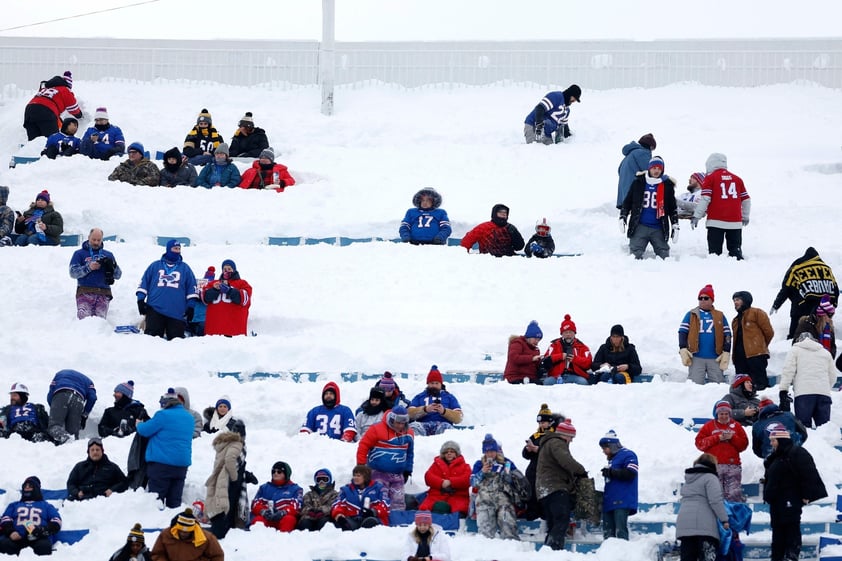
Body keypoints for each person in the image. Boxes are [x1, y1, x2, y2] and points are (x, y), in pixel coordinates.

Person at [762, 423, 827, 561]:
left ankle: (791, 556)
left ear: (781, 440)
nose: (772, 444)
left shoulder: (797, 453)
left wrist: (806, 495)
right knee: (778, 532)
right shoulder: (776, 457)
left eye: (773, 440)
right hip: (776, 502)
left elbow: (809, 474)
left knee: (791, 529)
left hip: (791, 499)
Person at [135, 387, 195, 508]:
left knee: (157, 501)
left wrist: (139, 424)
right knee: (174, 502)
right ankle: (174, 524)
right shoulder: (189, 418)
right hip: (181, 466)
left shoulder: (162, 415)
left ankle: (157, 525)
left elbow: (145, 431)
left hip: (161, 465)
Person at [535, 419, 586, 550]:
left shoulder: (548, 443)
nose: (571, 441)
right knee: (561, 521)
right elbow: (566, 461)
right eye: (571, 437)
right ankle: (554, 550)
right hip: (555, 488)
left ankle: (548, 551)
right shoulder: (557, 442)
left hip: (545, 489)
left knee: (553, 524)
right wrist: (581, 471)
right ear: (564, 435)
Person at [204, 398, 250, 539]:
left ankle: (222, 528)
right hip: (229, 479)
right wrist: (235, 477)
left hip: (221, 477)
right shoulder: (237, 443)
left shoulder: (225, 442)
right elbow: (231, 460)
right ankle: (222, 531)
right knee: (227, 504)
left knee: (221, 504)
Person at [691, 153, 751, 260]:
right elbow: (746, 199)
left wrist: (697, 215)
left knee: (715, 255)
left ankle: (715, 273)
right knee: (735, 253)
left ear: (710, 164)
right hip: (735, 223)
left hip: (715, 222)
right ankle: (739, 272)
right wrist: (745, 216)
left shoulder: (710, 179)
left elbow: (705, 199)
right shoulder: (737, 179)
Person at [136, 239, 199, 340]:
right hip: (155, 309)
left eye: (179, 249)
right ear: (168, 249)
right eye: (175, 248)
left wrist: (191, 306)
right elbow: (144, 283)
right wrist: (140, 300)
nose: (177, 251)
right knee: (151, 341)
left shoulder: (185, 268)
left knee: (176, 342)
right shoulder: (155, 266)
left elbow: (192, 288)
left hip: (177, 312)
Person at [770, 247, 838, 339]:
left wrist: (777, 304)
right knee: (821, 333)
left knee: (797, 332)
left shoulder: (797, 267)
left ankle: (792, 340)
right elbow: (835, 289)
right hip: (824, 305)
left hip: (803, 305)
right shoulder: (827, 269)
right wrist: (834, 304)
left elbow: (786, 288)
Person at [620, 155, 679, 259]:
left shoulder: (667, 186)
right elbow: (628, 201)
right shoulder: (639, 182)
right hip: (640, 226)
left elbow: (672, 207)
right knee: (634, 255)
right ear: (649, 168)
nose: (656, 171)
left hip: (658, 227)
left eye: (659, 169)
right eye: (654, 168)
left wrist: (675, 224)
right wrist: (623, 215)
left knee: (664, 256)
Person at [357, 406, 415, 511]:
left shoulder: (409, 433)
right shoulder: (376, 429)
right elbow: (363, 445)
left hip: (397, 474)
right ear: (392, 419)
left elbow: (410, 453)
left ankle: (396, 522)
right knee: (379, 499)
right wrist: (361, 465)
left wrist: (408, 470)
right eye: (398, 422)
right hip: (378, 472)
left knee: (398, 501)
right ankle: (376, 520)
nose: (401, 425)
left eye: (403, 423)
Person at [470, 433, 525, 541]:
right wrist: (482, 472)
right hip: (484, 500)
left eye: (492, 451)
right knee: (485, 533)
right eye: (487, 451)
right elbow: (472, 482)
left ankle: (512, 549)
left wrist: (509, 477)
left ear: (496, 450)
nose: (490, 454)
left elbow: (519, 481)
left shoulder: (506, 462)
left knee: (508, 526)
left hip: (503, 499)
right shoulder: (479, 464)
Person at [675, 453, 730, 561]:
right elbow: (715, 501)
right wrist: (724, 519)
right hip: (704, 527)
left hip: (684, 524)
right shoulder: (710, 477)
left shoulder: (688, 480)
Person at [779, 331, 836, 428]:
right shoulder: (825, 353)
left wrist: (783, 389)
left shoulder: (795, 350)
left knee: (803, 427)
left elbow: (788, 371)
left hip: (804, 394)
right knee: (824, 428)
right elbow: (832, 376)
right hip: (823, 395)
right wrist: (825, 388)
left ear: (799, 340)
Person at [694, 401, 748, 502]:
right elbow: (699, 444)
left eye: (726, 414)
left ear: (729, 414)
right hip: (713, 466)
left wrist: (733, 437)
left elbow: (743, 445)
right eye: (721, 414)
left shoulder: (736, 426)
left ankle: (732, 516)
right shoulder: (708, 426)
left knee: (733, 496)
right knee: (714, 496)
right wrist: (717, 438)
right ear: (717, 414)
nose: (724, 416)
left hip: (733, 466)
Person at [678, 284, 732, 384]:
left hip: (715, 357)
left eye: (706, 298)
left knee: (717, 385)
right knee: (694, 385)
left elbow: (727, 334)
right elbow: (682, 332)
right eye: (700, 298)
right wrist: (683, 348)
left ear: (712, 300)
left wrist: (726, 351)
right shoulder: (691, 314)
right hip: (696, 357)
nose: (702, 300)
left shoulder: (720, 315)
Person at [0, 476, 62, 556]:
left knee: (44, 547)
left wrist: (41, 530)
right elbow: (5, 518)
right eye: (25, 486)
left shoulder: (46, 506)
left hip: (38, 538)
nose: (27, 488)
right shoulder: (14, 505)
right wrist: (11, 532)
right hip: (16, 538)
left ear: (36, 488)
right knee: (4, 545)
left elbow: (56, 520)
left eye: (30, 486)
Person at [69, 228, 122, 319]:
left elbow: (118, 275)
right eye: (94, 239)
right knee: (84, 320)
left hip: (104, 293)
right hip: (85, 291)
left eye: (99, 240)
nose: (96, 242)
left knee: (100, 323)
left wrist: (112, 266)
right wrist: (88, 268)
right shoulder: (79, 254)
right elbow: (72, 273)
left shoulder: (108, 255)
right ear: (89, 237)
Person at [598, 430, 639, 540]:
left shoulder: (628, 454)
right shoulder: (613, 459)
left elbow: (631, 473)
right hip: (610, 501)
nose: (603, 452)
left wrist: (612, 472)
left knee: (620, 532)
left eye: (604, 448)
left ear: (611, 446)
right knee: (608, 534)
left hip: (622, 499)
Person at [731, 290, 774, 390]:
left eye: (738, 299)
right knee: (742, 388)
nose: (735, 302)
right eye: (734, 300)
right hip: (740, 359)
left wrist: (759, 346)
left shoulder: (757, 313)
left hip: (756, 356)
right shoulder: (735, 320)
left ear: (745, 300)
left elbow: (769, 332)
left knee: (760, 385)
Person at [23, 70, 82, 140]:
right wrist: (80, 115)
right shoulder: (64, 89)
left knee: (34, 143)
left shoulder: (45, 89)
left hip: (29, 110)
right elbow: (73, 108)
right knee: (53, 140)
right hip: (45, 111)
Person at [521, 404, 556, 520]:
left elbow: (554, 452)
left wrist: (538, 450)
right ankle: (532, 513)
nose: (541, 425)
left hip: (547, 470)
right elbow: (525, 455)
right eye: (540, 423)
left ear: (549, 422)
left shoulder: (555, 436)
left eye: (543, 422)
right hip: (533, 470)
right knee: (532, 493)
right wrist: (528, 450)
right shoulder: (535, 436)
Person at [419, 440, 471, 516]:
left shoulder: (465, 466)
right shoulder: (436, 464)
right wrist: (441, 482)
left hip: (458, 497)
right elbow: (428, 476)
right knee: (427, 511)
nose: (449, 453)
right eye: (446, 452)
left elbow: (467, 479)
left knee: (459, 512)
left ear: (456, 453)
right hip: (437, 496)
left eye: (452, 451)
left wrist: (451, 482)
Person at [150, 508, 224, 561]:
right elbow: (157, 554)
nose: (183, 533)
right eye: (181, 531)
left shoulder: (207, 538)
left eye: (186, 532)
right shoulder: (166, 535)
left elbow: (217, 556)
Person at [407, 366, 464, 435]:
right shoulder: (419, 397)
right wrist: (425, 409)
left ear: (441, 384)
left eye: (437, 383)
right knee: (412, 428)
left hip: (443, 425)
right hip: (422, 425)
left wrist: (444, 411)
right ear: (428, 384)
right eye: (432, 383)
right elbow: (409, 414)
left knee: (447, 429)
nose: (434, 386)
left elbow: (459, 418)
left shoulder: (449, 397)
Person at [202, 259, 252, 337]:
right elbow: (204, 298)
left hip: (234, 330)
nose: (227, 271)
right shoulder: (213, 283)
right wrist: (215, 290)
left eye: (229, 269)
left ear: (234, 270)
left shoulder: (242, 283)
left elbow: (245, 300)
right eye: (224, 269)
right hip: (213, 330)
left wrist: (230, 290)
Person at [331, 464, 390, 531]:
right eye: (354, 475)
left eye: (358, 476)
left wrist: (374, 511)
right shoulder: (346, 490)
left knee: (371, 522)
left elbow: (386, 504)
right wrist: (339, 515)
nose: (355, 478)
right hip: (353, 519)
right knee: (343, 524)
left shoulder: (378, 488)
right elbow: (337, 504)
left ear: (366, 477)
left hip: (372, 518)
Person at [46, 368, 97, 444]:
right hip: (78, 400)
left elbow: (50, 394)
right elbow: (93, 398)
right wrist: (84, 415)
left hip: (60, 395)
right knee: (73, 434)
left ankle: (66, 439)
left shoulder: (60, 374)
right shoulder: (89, 382)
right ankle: (71, 445)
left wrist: (55, 408)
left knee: (54, 426)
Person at [250, 461, 302, 532]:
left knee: (289, 519)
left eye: (279, 472)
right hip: (267, 517)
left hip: (283, 518)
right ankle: (258, 540)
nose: (275, 473)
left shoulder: (295, 489)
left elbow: (296, 506)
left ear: (286, 474)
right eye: (273, 471)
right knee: (258, 520)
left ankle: (283, 540)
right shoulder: (264, 488)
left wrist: (283, 512)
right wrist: (263, 511)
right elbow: (255, 504)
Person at [543, 315, 593, 385]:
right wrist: (560, 356)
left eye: (570, 332)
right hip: (556, 376)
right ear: (562, 334)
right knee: (547, 382)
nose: (568, 334)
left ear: (574, 333)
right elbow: (545, 362)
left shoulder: (582, 347)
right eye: (566, 332)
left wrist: (575, 359)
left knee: (583, 382)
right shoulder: (554, 345)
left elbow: (588, 364)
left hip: (576, 376)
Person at [460, 204, 524, 257]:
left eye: (505, 213)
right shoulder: (484, 227)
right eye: (500, 212)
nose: (503, 214)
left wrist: (515, 234)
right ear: (494, 214)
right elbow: (467, 241)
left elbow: (519, 247)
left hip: (509, 260)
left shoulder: (510, 228)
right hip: (489, 262)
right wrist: (464, 256)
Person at [616, 133, 656, 208]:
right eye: (652, 148)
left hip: (623, 195)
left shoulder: (630, 154)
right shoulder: (643, 153)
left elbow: (619, 170)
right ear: (649, 146)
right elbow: (651, 172)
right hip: (634, 193)